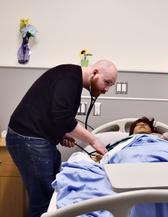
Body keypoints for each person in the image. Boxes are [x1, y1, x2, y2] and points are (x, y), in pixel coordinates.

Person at [5, 59, 118, 217]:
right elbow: (63, 118)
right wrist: (93, 141)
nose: (106, 89)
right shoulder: (69, 78)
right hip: (28, 139)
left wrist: (62, 134)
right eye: (106, 83)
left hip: (36, 139)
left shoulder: (71, 80)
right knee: (42, 202)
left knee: (52, 194)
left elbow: (52, 114)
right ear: (95, 72)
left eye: (110, 85)